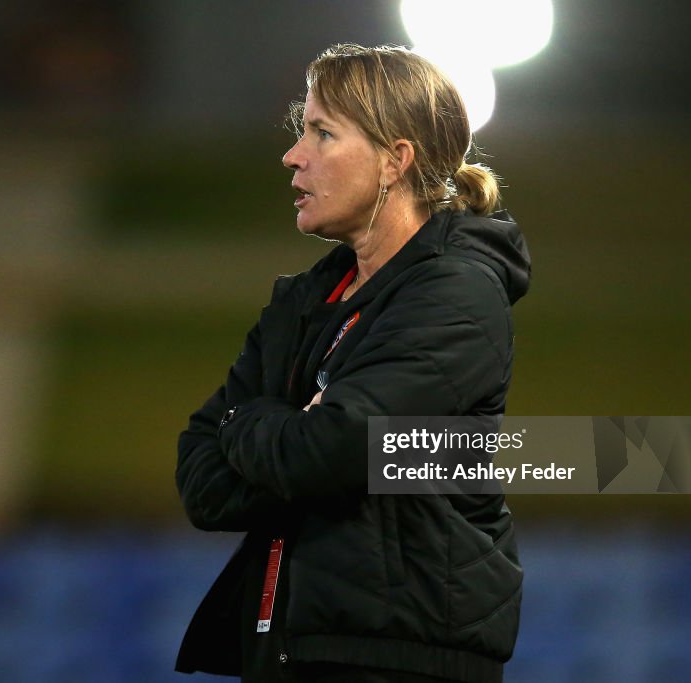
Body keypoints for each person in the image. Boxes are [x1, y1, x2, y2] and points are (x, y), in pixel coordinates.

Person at [175, 43, 530, 683]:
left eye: (322, 132)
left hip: (396, 659)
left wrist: (251, 420)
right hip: (289, 648)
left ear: (395, 161)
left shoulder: (457, 294)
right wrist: (287, 429)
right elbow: (201, 479)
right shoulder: (304, 300)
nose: (293, 155)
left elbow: (337, 450)